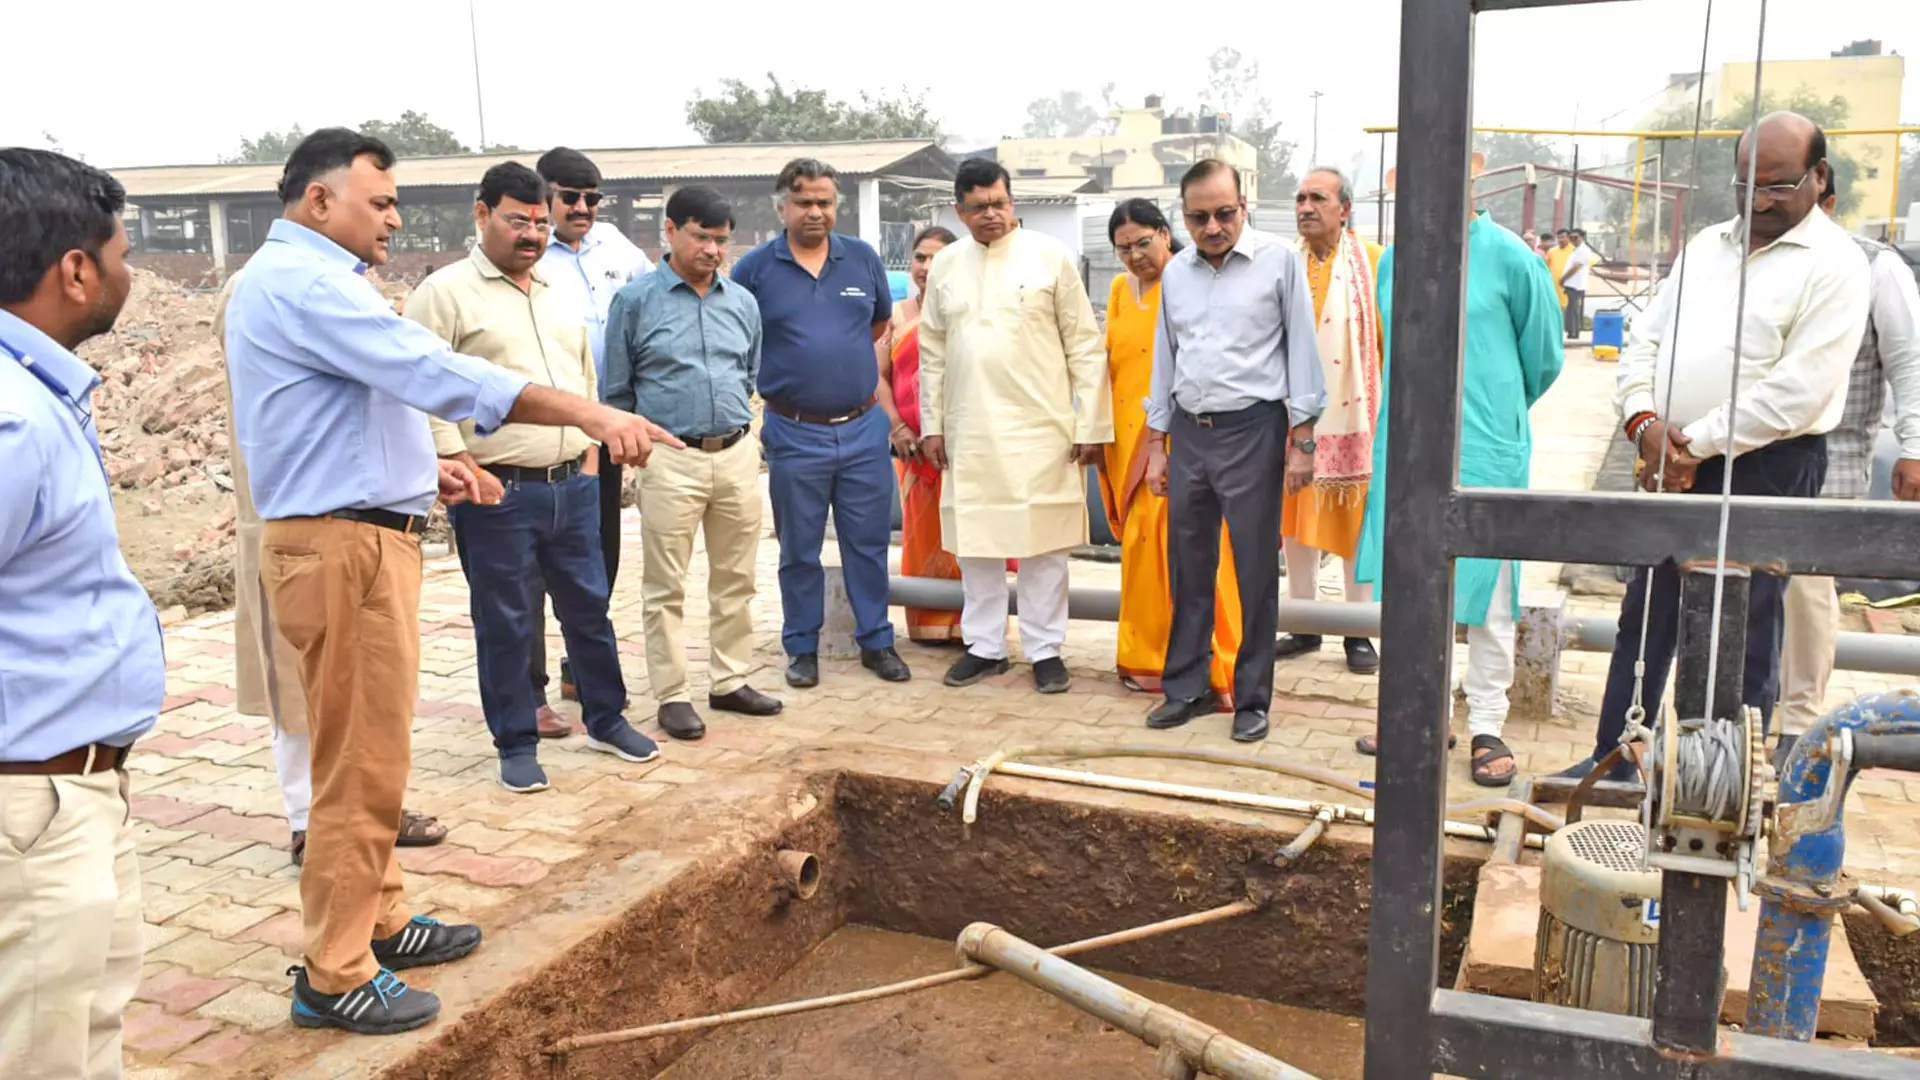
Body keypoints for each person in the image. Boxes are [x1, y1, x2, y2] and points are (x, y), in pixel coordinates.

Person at [225, 128, 676, 1034]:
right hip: (339, 546)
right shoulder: (303, 282)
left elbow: (335, 413)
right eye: (379, 202)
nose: (394, 218)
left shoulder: (321, 283)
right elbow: (436, 373)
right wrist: (589, 412)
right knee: (356, 760)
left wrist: (431, 472)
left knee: (372, 748)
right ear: (319, 202)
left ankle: (379, 919)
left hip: (363, 531)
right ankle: (335, 968)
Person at [1558, 112, 1869, 782]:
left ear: (1819, 178)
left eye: (1779, 186)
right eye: (1747, 182)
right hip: (1670, 458)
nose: (1759, 199)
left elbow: (1798, 391)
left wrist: (1691, 443)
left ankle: (1714, 785)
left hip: (1767, 465)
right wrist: (1643, 422)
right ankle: (1619, 757)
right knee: (1647, 614)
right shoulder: (1706, 247)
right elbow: (1646, 339)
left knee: (1745, 628)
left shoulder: (1837, 265)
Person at [412, 162, 661, 793]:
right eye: (516, 220)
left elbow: (583, 384)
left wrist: (587, 454)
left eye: (539, 221)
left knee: (589, 609)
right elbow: (418, 387)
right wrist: (458, 462)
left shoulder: (555, 293)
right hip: (497, 491)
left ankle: (607, 718)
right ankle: (516, 741)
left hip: (571, 485)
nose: (531, 233)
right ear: (481, 213)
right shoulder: (443, 294)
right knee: (507, 622)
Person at [0, 148, 161, 1080]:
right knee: (36, 1053)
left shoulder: (40, 393)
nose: (132, 276)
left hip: (75, 791)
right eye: (124, 256)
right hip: (32, 810)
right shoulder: (14, 418)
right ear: (75, 270)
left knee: (85, 1036)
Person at [215, 269, 447, 859]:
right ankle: (309, 820)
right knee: (298, 682)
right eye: (376, 204)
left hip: (353, 522)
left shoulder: (344, 284)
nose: (389, 222)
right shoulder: (268, 288)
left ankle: (367, 812)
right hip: (298, 517)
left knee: (361, 687)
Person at [1355, 152, 1564, 785]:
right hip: (1408, 448)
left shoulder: (1509, 257)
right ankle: (1423, 714)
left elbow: (1544, 356)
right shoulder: (1394, 261)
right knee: (1415, 586)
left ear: (1470, 177)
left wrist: (1494, 408)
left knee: (1493, 597)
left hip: (1486, 448)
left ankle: (1487, 725)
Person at [1140, 160, 1324, 744]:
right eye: (1199, 217)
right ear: (1183, 218)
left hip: (1256, 432)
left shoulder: (1278, 262)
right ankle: (1186, 689)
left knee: (1252, 571)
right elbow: (1165, 358)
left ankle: (1251, 699)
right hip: (1190, 434)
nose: (1214, 226)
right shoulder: (1176, 276)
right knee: (1190, 566)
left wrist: (1302, 441)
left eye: (1225, 213)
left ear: (1244, 206)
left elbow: (1302, 351)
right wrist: (1158, 444)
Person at [918, 159, 1112, 694]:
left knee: (1043, 544)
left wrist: (1091, 425)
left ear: (1013, 203)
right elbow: (932, 352)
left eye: (999, 204)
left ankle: (1045, 648)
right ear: (960, 212)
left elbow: (1084, 344)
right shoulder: (947, 266)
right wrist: (932, 425)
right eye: (978, 207)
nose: (991, 215)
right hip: (970, 428)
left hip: (1041, 428)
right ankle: (984, 646)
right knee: (976, 540)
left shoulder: (1050, 257)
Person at [605, 186, 779, 741]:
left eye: (721, 240)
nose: (712, 250)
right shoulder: (635, 303)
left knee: (736, 578)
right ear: (670, 231)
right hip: (670, 458)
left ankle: (729, 680)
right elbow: (617, 390)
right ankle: (673, 693)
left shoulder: (742, 302)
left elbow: (748, 374)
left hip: (735, 455)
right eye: (701, 236)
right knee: (665, 585)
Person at [732, 159, 911, 689]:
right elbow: (743, 334)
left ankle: (877, 641)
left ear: (838, 205)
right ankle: (801, 647)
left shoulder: (861, 260)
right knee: (799, 548)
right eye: (804, 201)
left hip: (862, 428)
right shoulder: (755, 270)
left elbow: (878, 323)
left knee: (868, 542)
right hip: (793, 429)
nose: (816, 211)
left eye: (825, 202)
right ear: (782, 206)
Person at [1773, 172, 1920, 765]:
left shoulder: (1876, 267)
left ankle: (1796, 721)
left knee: (1807, 586)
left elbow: (1908, 361)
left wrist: (1913, 447)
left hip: (1835, 452)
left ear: (1828, 202)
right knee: (1750, 583)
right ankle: (1746, 705)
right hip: (1758, 451)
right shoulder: (1765, 262)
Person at [1098, 199, 1243, 703]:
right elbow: (1111, 360)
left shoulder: (1191, 280)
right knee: (1140, 549)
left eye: (1143, 242)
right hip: (1123, 434)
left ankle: (1216, 664)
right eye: (1123, 248)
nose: (1135, 256)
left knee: (1188, 548)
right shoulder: (1119, 291)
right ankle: (1148, 656)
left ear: (1165, 233)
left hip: (1177, 434)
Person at [536, 147, 654, 710]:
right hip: (546, 428)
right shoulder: (530, 253)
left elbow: (654, 299)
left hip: (604, 428)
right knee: (533, 560)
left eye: (592, 198)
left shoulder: (617, 248)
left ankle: (580, 663)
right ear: (546, 196)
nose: (582, 208)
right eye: (571, 197)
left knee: (598, 550)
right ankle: (525, 681)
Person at [1278, 167, 1386, 674]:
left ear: (1344, 208)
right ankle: (1302, 623)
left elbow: (1390, 346)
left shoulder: (1374, 263)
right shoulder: (1281, 263)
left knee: (1355, 528)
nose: (1305, 207)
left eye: (1317, 198)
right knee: (1295, 529)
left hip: (1355, 423)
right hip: (1290, 421)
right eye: (1300, 198)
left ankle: (1359, 630)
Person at [877, 226, 964, 645]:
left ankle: (974, 626)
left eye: (937, 258)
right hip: (911, 448)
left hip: (963, 447)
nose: (927, 267)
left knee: (968, 535)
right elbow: (877, 375)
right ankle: (928, 625)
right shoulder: (895, 315)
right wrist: (898, 426)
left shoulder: (967, 310)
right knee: (923, 529)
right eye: (920, 257)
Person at [1560, 228, 1594, 340]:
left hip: (1576, 284)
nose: (1573, 240)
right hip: (1572, 284)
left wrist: (1563, 278)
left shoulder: (1583, 250)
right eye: (1571, 238)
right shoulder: (1576, 250)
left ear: (1582, 238)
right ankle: (1571, 330)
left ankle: (1574, 332)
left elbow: (1575, 267)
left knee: (1574, 309)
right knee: (1570, 308)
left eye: (1576, 237)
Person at [1546, 228, 1572, 311]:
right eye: (1559, 237)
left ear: (1569, 238)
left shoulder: (1574, 250)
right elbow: (1546, 266)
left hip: (1568, 288)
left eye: (1563, 237)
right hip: (1554, 287)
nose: (1560, 240)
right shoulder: (1552, 251)